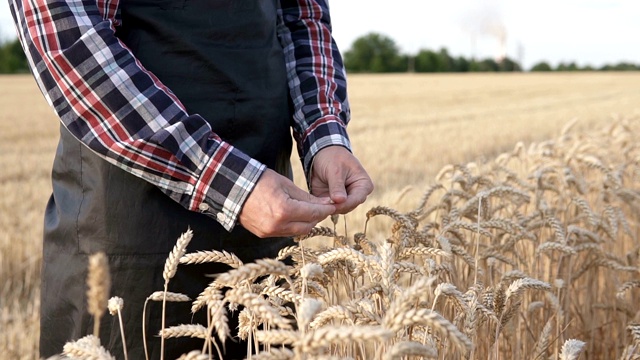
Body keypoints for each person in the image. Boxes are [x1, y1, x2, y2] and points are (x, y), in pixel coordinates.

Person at [9, 0, 373, 359]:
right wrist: (229, 183)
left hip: (268, 228)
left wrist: (324, 133)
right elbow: (69, 41)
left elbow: (301, 15)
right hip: (130, 236)